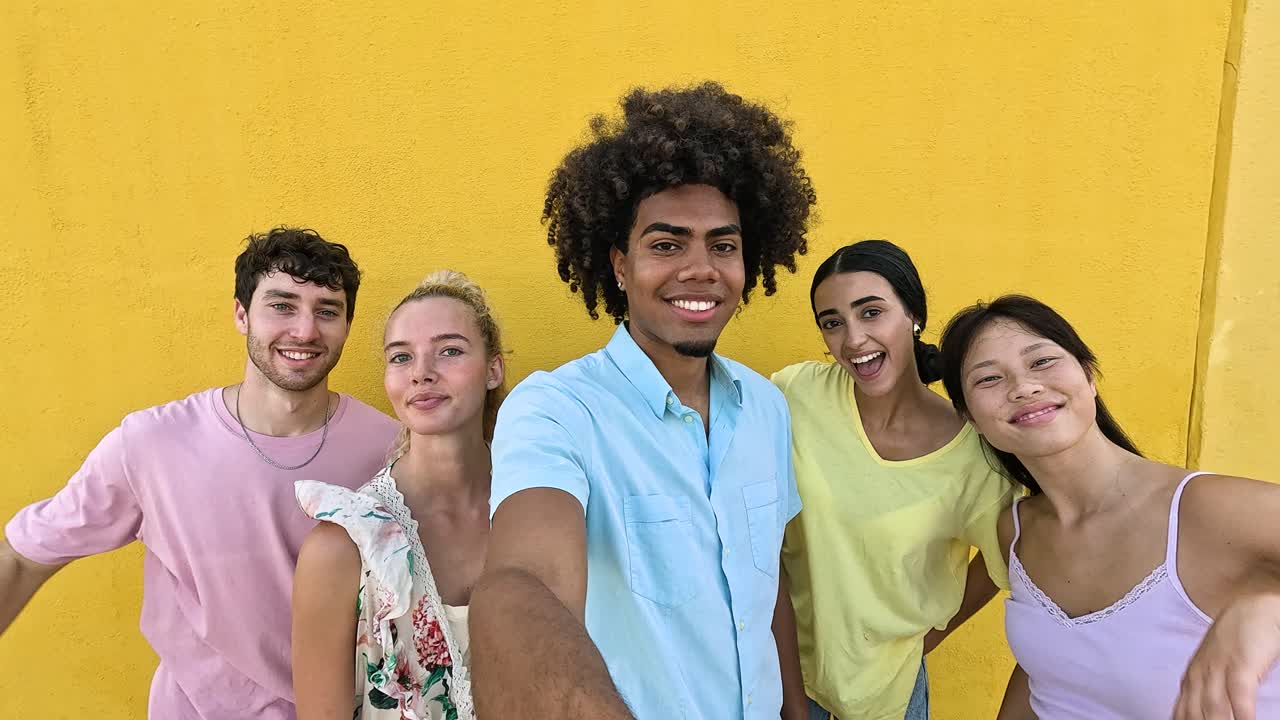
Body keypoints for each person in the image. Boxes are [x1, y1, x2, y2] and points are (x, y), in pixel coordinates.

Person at [469, 81, 818, 719]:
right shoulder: (557, 410)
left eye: (723, 245)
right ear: (619, 265)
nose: (700, 268)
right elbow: (524, 584)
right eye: (665, 244)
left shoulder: (766, 407)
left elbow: (764, 587)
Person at [0, 227, 399, 719]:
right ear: (240, 313)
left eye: (327, 311)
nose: (305, 330)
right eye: (282, 305)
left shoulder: (390, 448)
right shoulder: (151, 444)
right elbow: (22, 558)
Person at [937, 294, 1280, 720]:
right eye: (989, 379)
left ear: (1088, 375)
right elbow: (1050, 669)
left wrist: (1267, 609)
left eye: (1041, 361)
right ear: (969, 417)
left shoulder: (1203, 509)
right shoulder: (1015, 530)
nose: (1024, 387)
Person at [771, 240, 1015, 720]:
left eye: (871, 312)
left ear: (914, 315)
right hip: (782, 678)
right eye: (833, 322)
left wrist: (925, 640)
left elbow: (1000, 562)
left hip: (889, 698)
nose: (854, 339)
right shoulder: (795, 394)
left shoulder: (974, 455)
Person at [291, 270, 505, 720]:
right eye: (401, 357)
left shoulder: (543, 509)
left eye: (449, 351)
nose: (422, 374)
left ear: (493, 369)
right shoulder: (343, 546)